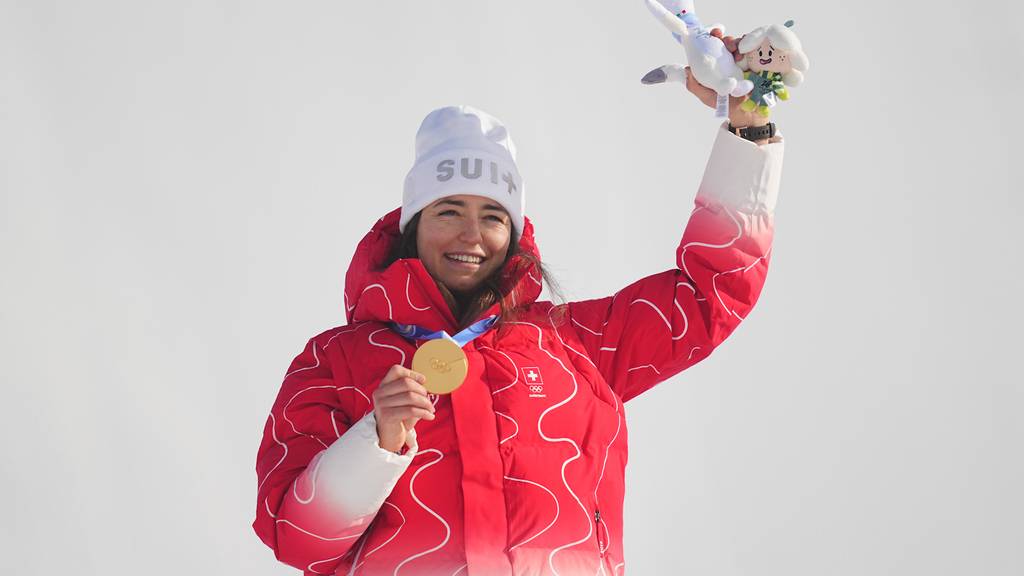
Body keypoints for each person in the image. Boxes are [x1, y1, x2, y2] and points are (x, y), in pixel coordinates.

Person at [253, 35, 785, 575]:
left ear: (513, 233)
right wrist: (377, 442)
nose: (471, 235)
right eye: (448, 211)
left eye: (492, 216)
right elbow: (295, 539)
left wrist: (750, 127)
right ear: (413, 226)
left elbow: (708, 295)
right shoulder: (334, 363)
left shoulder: (573, 345)